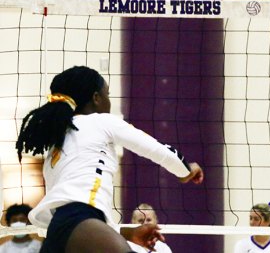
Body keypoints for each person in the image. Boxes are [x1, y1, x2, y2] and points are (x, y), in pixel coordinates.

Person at [15, 66, 204, 253]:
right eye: (107, 94)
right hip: (80, 223)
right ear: (96, 98)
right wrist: (186, 170)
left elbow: (80, 214)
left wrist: (126, 235)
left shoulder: (57, 143)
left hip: (58, 233)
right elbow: (157, 150)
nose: (109, 100)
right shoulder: (102, 122)